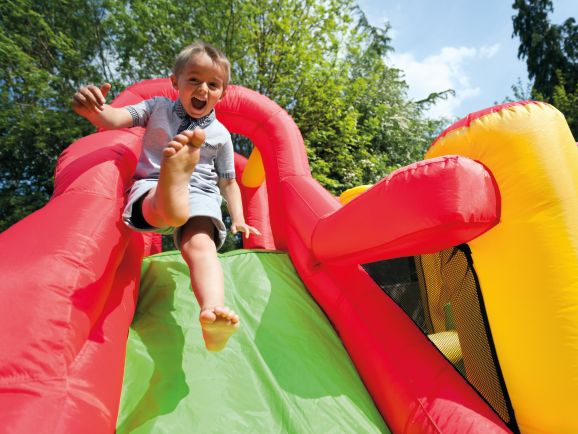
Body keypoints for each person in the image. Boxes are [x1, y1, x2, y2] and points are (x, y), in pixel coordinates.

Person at [71, 41, 260, 352]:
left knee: (200, 245)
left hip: (199, 192)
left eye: (213, 84)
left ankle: (211, 310)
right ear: (176, 82)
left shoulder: (221, 135)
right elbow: (115, 119)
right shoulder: (155, 107)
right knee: (170, 214)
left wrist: (239, 218)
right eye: (194, 80)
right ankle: (172, 186)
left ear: (222, 93)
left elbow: (228, 183)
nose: (203, 89)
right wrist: (95, 110)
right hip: (153, 181)